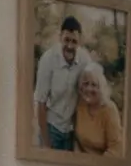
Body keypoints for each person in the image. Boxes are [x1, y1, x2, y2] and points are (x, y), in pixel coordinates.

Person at [33, 14, 90, 151]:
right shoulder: (48, 60)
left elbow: (89, 93)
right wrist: (46, 143)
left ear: (79, 41)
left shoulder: (84, 60)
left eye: (74, 42)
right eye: (66, 40)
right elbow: (40, 102)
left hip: (71, 129)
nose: (70, 46)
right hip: (51, 126)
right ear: (60, 38)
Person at [75, 62, 123, 157]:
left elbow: (116, 148)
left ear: (101, 88)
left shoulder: (109, 110)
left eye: (94, 85)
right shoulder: (81, 105)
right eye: (86, 84)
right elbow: (76, 140)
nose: (88, 89)